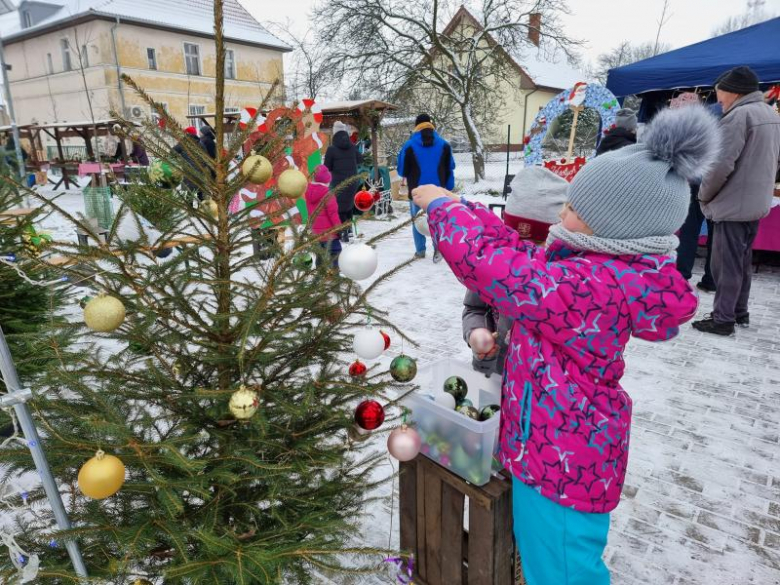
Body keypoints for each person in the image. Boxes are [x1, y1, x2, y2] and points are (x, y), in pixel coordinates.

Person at [412, 104, 717, 585]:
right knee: (547, 563)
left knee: (563, 573)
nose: (562, 213)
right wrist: (462, 204)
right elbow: (515, 250)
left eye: (573, 208)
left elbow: (498, 268)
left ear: (610, 226)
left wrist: (443, 208)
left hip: (562, 466)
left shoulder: (593, 287)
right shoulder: (593, 271)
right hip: (551, 451)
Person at [693, 66, 780, 336]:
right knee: (741, 261)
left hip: (733, 204)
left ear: (734, 91)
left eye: (720, 93)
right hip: (755, 201)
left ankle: (723, 319)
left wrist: (704, 194)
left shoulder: (739, 116)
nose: (718, 99)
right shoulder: (769, 113)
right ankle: (739, 311)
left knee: (726, 264)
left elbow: (719, 166)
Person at [463, 166, 568, 376]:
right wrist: (476, 332)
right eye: (513, 241)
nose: (522, 252)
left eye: (536, 243)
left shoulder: (568, 276)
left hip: (546, 385)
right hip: (495, 371)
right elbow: (474, 308)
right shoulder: (493, 261)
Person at [675, 102, 722, 293]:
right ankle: (711, 279)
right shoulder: (732, 125)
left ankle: (682, 274)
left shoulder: (697, 127)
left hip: (695, 182)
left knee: (689, 231)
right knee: (716, 235)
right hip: (718, 185)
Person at [397, 114, 455, 262]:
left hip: (417, 192)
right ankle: (438, 249)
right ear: (431, 124)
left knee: (417, 221)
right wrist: (449, 187)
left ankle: (420, 251)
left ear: (416, 126)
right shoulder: (444, 144)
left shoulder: (409, 145)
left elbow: (402, 171)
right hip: (439, 192)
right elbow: (450, 167)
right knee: (438, 221)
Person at [324, 121, 362, 242]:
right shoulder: (352, 146)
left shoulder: (331, 149)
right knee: (348, 205)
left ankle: (343, 232)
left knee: (339, 206)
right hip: (352, 181)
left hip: (338, 182)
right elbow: (360, 159)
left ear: (334, 133)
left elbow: (327, 167)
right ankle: (349, 230)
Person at [305, 164, 342, 267]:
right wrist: (339, 229)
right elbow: (333, 214)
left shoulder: (308, 192)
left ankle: (320, 274)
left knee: (320, 256)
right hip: (330, 234)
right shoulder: (328, 194)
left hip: (316, 234)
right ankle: (334, 274)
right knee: (335, 255)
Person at [172, 126, 206, 202]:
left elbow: (172, 153)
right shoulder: (201, 144)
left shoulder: (182, 144)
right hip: (200, 172)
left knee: (189, 194)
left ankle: (191, 209)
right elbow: (206, 158)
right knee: (201, 194)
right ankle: (203, 208)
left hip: (188, 172)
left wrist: (179, 161)